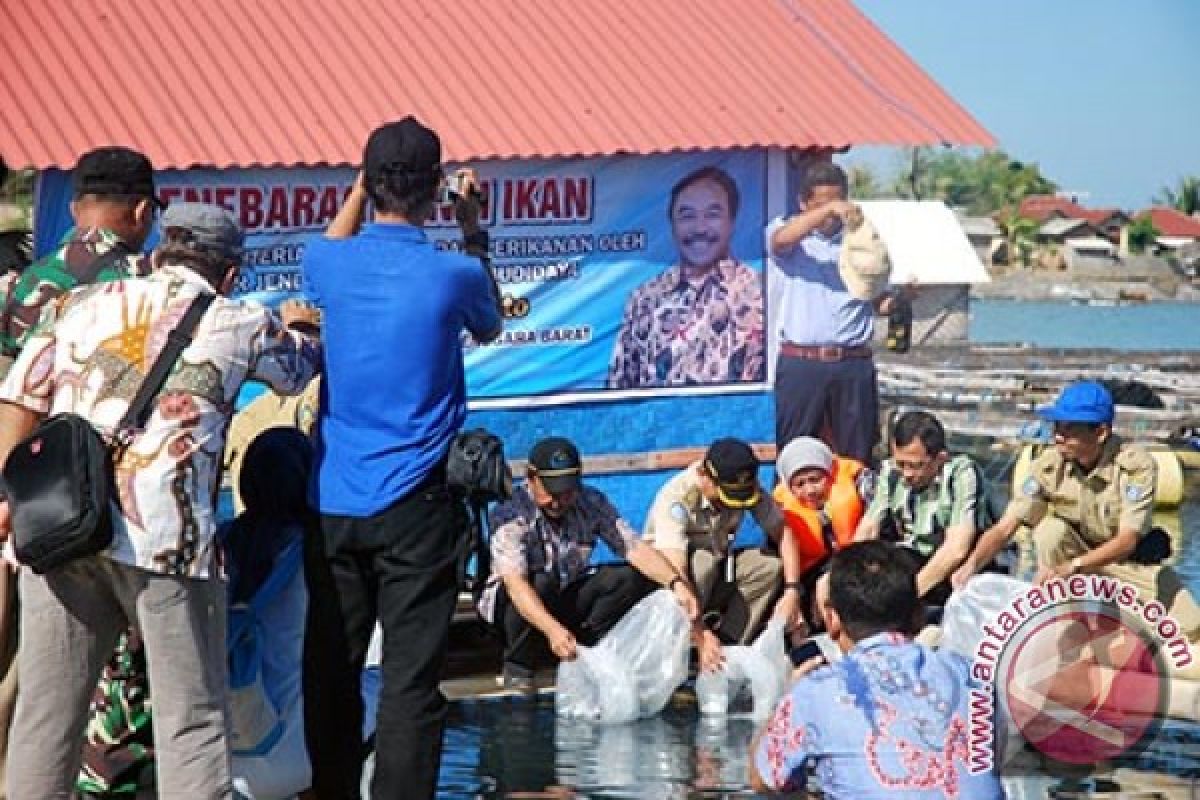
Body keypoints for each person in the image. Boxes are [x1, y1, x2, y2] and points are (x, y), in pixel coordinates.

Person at [0, 202, 321, 800]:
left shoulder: (78, 304)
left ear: (158, 253)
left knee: (45, 721)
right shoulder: (238, 320)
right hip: (168, 545)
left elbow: (20, 396)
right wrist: (302, 327)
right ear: (229, 274)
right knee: (191, 722)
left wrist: (7, 497)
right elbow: (299, 371)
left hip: (60, 528)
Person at [300, 117, 503, 800]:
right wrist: (472, 224)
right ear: (436, 188)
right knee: (410, 684)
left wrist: (357, 191)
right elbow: (492, 320)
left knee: (331, 670)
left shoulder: (328, 261)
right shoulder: (454, 273)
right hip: (417, 503)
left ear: (367, 180)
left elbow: (326, 254)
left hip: (333, 499)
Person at [0, 147, 160, 796]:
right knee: (118, 689)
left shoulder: (23, 285)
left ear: (74, 207)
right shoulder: (149, 285)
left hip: (33, 506)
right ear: (142, 211)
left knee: (38, 691)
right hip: (116, 515)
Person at [953, 381, 1200, 677]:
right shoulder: (1048, 464)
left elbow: (1127, 540)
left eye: (1070, 429)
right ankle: (1066, 627)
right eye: (1057, 425)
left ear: (1100, 433)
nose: (1058, 435)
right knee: (1050, 531)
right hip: (1072, 564)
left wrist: (1076, 565)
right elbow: (1006, 526)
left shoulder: (1136, 466)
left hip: (1126, 563)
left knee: (1190, 627)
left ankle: (1121, 636)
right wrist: (971, 564)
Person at [749, 541, 1005, 799]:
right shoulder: (973, 676)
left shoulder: (817, 689)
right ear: (918, 614)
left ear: (832, 619)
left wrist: (785, 702)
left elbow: (764, 780)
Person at [478, 437, 700, 689]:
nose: (559, 501)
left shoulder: (591, 501)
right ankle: (520, 665)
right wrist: (552, 630)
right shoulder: (510, 512)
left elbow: (633, 547)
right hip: (516, 605)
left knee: (627, 577)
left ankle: (589, 647)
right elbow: (515, 584)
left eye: (567, 492)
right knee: (541, 582)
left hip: (566, 592)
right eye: (551, 493)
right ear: (531, 478)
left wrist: (677, 584)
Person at [767, 161, 891, 462]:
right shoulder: (791, 234)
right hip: (803, 362)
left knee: (857, 456)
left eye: (838, 202)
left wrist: (901, 301)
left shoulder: (862, 241)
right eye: (821, 205)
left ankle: (856, 509)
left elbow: (878, 300)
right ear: (803, 203)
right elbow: (779, 241)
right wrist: (824, 211)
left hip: (853, 362)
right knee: (796, 454)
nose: (832, 214)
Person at [643, 438, 800, 672]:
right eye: (726, 495)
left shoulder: (747, 487)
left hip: (717, 570)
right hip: (672, 586)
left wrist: (792, 592)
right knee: (702, 563)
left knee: (768, 566)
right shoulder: (677, 497)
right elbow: (676, 570)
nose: (735, 503)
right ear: (705, 475)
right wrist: (700, 633)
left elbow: (783, 533)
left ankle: (728, 650)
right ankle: (685, 655)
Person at [222, 427, 315, 800]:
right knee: (388, 687)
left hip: (212, 765)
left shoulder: (219, 542)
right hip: (296, 760)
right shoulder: (320, 552)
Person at [609, 166, 764, 388]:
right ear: (672, 225)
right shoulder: (644, 300)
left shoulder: (759, 294)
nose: (700, 228)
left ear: (732, 222)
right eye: (687, 216)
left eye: (713, 215)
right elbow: (620, 385)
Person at [856, 410, 998, 606]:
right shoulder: (890, 472)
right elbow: (869, 527)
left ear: (940, 458)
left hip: (958, 569)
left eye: (915, 466)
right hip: (913, 555)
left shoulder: (961, 474)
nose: (906, 474)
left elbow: (956, 549)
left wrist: (909, 596)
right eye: (901, 463)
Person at [771, 436, 873, 627]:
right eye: (800, 484)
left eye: (815, 480)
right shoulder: (779, 506)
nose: (810, 490)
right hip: (811, 571)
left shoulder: (862, 483)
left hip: (860, 558)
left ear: (830, 475)